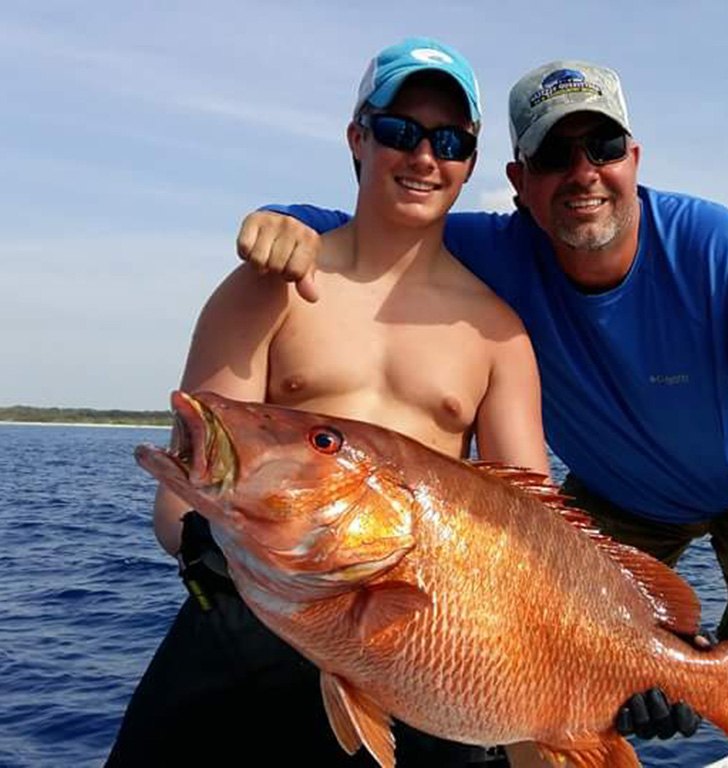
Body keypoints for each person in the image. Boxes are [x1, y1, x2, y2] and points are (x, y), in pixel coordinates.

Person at [239, 58, 728, 765]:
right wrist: (286, 223)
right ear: (521, 183)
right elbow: (363, 230)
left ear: (634, 159)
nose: (583, 172)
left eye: (605, 148)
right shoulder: (494, 254)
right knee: (541, 702)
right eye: (555, 154)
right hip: (617, 497)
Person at [107, 38, 556, 767]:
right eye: (399, 131)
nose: (423, 157)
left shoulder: (497, 335)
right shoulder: (268, 287)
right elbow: (186, 487)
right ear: (357, 137)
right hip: (249, 624)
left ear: (471, 163)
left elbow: (534, 537)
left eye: (448, 141)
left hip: (416, 649)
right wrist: (210, 551)